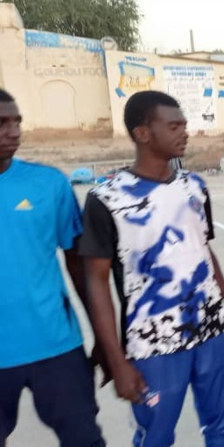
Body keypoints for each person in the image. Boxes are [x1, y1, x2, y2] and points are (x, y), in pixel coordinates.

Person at [81, 90, 224, 447]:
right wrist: (116, 359)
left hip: (212, 332)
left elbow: (203, 251)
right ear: (143, 133)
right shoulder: (107, 199)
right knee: (155, 437)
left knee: (222, 430)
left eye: (184, 125)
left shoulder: (194, 186)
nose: (184, 132)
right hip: (154, 346)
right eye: (174, 126)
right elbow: (96, 283)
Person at [0, 88, 106, 446]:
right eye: (2, 123)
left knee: (85, 440)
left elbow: (79, 266)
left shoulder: (49, 184)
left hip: (57, 346)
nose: (14, 131)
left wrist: (103, 338)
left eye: (16, 122)